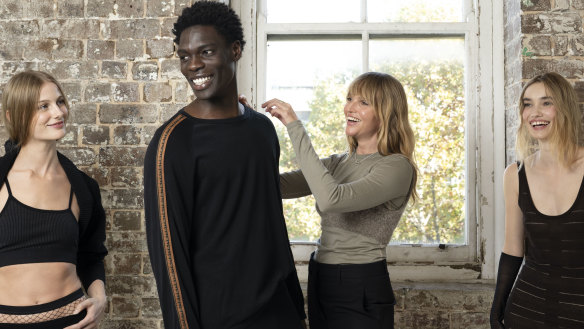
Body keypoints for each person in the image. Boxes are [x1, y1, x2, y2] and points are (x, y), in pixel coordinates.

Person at [143, 1, 306, 328]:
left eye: (205, 52)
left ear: (235, 50)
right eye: (185, 57)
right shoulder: (171, 143)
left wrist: (296, 310)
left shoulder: (261, 129)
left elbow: (272, 225)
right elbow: (170, 260)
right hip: (219, 319)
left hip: (278, 312)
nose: (193, 66)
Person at [260, 71, 418, 329]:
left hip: (360, 284)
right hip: (321, 277)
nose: (349, 107)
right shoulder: (338, 162)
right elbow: (274, 186)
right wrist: (240, 128)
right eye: (349, 99)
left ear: (386, 112)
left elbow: (332, 199)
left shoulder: (397, 167)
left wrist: (294, 126)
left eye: (363, 102)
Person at [0, 71, 107, 329]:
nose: (58, 113)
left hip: (70, 321)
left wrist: (100, 300)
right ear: (14, 116)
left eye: (60, 102)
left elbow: (91, 255)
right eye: (43, 107)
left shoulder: (83, 188)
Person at [490, 72, 584, 328]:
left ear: (563, 108)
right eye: (527, 104)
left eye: (546, 103)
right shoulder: (515, 175)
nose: (534, 113)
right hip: (525, 311)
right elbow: (512, 250)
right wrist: (497, 309)